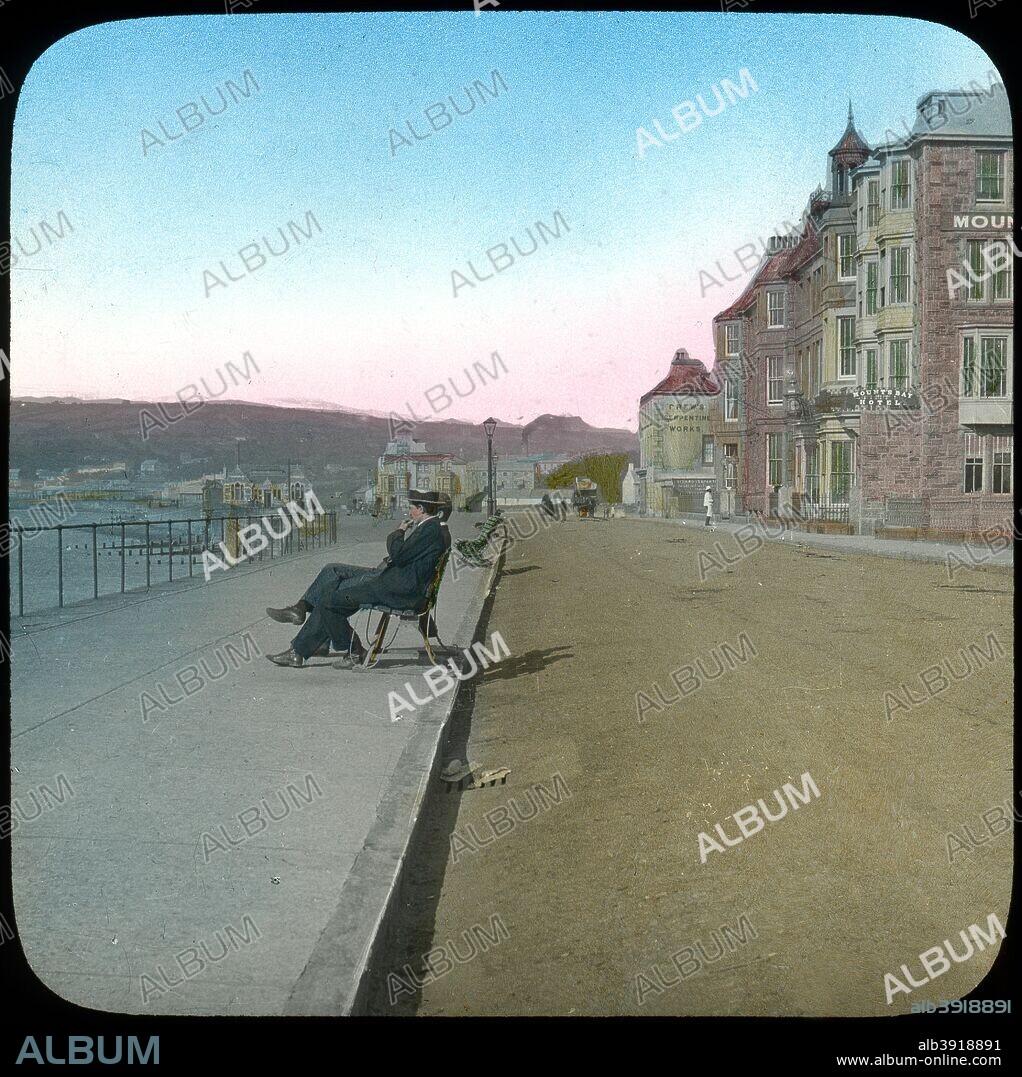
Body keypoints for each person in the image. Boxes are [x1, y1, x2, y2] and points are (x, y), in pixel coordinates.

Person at [265, 489, 452, 668]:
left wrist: (399, 532)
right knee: (331, 582)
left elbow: (399, 555)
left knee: (328, 598)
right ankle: (301, 642)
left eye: (412, 506)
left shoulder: (429, 530)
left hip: (395, 589)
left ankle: (352, 650)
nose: (409, 510)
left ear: (421, 509)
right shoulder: (430, 528)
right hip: (395, 584)